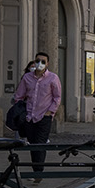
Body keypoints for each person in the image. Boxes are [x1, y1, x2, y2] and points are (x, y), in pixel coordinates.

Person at [12, 51, 62, 180]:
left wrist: (50, 112)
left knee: (40, 144)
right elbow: (19, 96)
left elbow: (57, 97)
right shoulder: (27, 78)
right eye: (38, 61)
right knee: (33, 144)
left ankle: (38, 173)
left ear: (47, 64)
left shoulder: (53, 78)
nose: (40, 63)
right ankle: (36, 171)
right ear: (34, 62)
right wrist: (20, 109)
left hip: (44, 116)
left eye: (43, 61)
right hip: (29, 116)